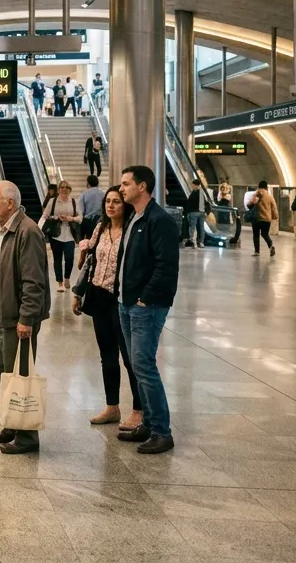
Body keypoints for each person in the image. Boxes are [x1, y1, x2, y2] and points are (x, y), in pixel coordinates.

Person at [0, 180, 51, 454]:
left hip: (17, 314)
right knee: (1, 370)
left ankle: (27, 437)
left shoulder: (28, 231)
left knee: (19, 372)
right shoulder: (3, 230)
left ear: (10, 203)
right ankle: (10, 424)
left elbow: (34, 282)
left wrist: (27, 318)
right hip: (0, 308)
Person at [114, 165, 180, 454]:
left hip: (145, 306)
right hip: (126, 303)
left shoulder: (158, 219)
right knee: (136, 364)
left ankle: (162, 431)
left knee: (144, 365)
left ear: (142, 186)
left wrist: (145, 298)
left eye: (126, 184)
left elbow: (166, 266)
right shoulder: (135, 218)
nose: (121, 188)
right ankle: (148, 424)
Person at [73, 187, 142, 431]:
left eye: (116, 202)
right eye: (108, 202)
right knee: (107, 355)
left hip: (121, 298)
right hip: (99, 295)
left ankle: (138, 409)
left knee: (129, 356)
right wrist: (78, 291)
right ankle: (112, 406)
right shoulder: (100, 228)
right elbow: (90, 260)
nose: (111, 206)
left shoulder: (131, 230)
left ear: (126, 205)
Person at [40, 180, 82, 292]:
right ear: (58, 189)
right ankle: (60, 283)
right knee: (57, 259)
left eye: (66, 187)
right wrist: (56, 218)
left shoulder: (74, 202)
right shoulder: (52, 202)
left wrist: (71, 218)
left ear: (69, 190)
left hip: (69, 235)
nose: (64, 189)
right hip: (56, 235)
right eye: (62, 187)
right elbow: (45, 216)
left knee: (69, 258)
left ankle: (67, 277)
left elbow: (80, 218)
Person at [248, 180, 277, 257]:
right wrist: (274, 216)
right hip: (267, 219)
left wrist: (250, 204)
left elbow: (251, 203)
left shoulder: (257, 194)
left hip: (257, 218)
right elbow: (274, 207)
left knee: (256, 235)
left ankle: (257, 251)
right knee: (265, 234)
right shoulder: (270, 196)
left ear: (259, 186)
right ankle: (271, 246)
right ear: (266, 187)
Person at [185, 178, 215, 248]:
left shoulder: (197, 192)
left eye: (192, 184)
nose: (191, 185)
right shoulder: (201, 192)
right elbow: (205, 202)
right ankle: (201, 242)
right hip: (201, 213)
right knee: (201, 228)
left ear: (195, 185)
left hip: (195, 212)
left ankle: (192, 242)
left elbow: (190, 203)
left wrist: (188, 211)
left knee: (192, 227)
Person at [78, 175, 104, 240]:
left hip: (87, 221)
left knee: (87, 241)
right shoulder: (103, 193)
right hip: (100, 220)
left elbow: (80, 210)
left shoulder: (84, 194)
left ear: (88, 183)